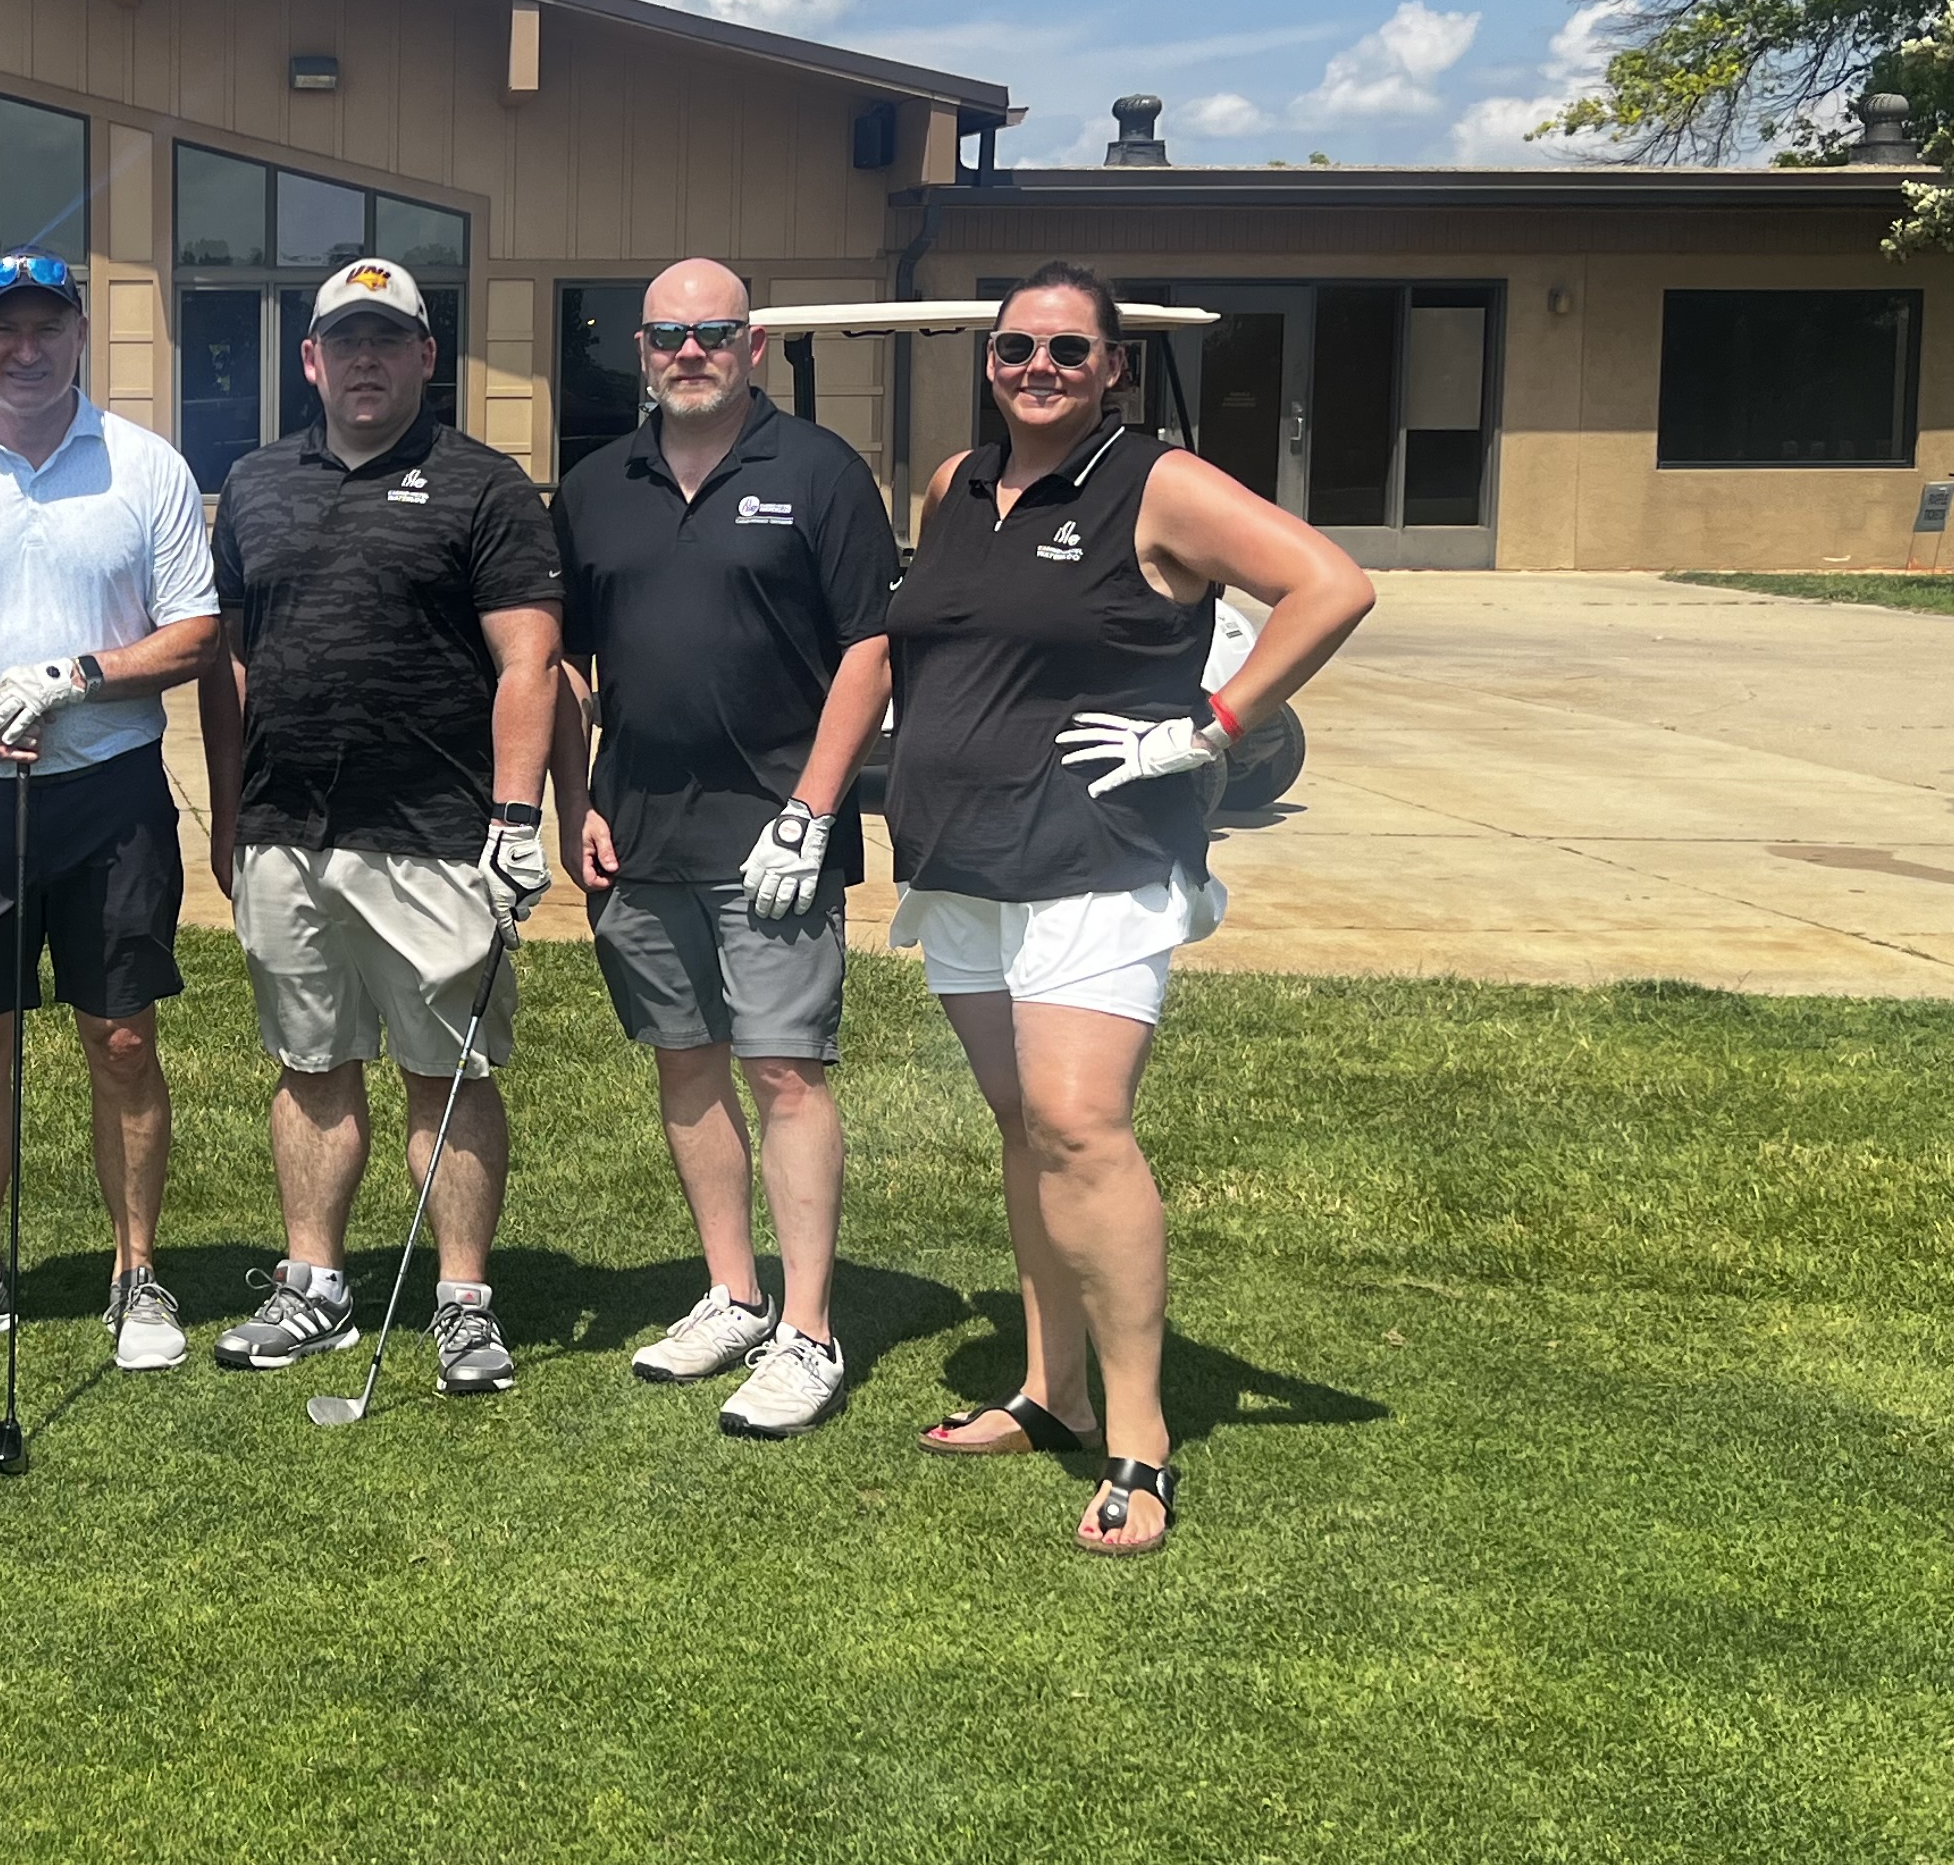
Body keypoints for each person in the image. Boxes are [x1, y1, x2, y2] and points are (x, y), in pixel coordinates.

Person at [891, 260, 1373, 1554]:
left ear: (1110, 366)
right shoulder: (952, 486)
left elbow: (1330, 585)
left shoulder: (1156, 483)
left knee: (1079, 1124)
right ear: (986, 362)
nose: (1036, 369)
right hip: (962, 854)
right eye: (1013, 350)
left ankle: (1139, 1439)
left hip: (1099, 851)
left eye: (1064, 351)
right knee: (1020, 1124)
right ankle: (1046, 1391)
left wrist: (1211, 727)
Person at [548, 257, 898, 1439]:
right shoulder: (599, 483)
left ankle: (809, 1330)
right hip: (641, 832)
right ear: (639, 350)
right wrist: (580, 798)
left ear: (751, 346)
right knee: (685, 1062)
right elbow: (572, 666)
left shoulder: (819, 471)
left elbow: (871, 648)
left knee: (785, 1069)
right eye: (665, 334)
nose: (687, 351)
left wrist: (812, 807)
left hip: (774, 838)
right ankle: (734, 1295)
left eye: (712, 332)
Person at [197, 256, 561, 1394]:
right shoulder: (254, 484)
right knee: (312, 1063)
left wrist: (514, 815)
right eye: (342, 341)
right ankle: (314, 1286)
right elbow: (233, 663)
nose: (363, 359)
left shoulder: (484, 486)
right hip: (288, 832)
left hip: (434, 832)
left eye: (386, 339)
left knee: (443, 1068)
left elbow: (529, 660)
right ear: (309, 360)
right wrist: (231, 814)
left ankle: (461, 1302)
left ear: (424, 357)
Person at [0, 252, 220, 1372]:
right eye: (3, 328)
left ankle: (137, 1274)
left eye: (46, 326)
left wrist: (75, 675)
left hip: (110, 791)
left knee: (121, 1037)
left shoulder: (144, 466)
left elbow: (195, 632)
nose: (26, 348)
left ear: (77, 333)